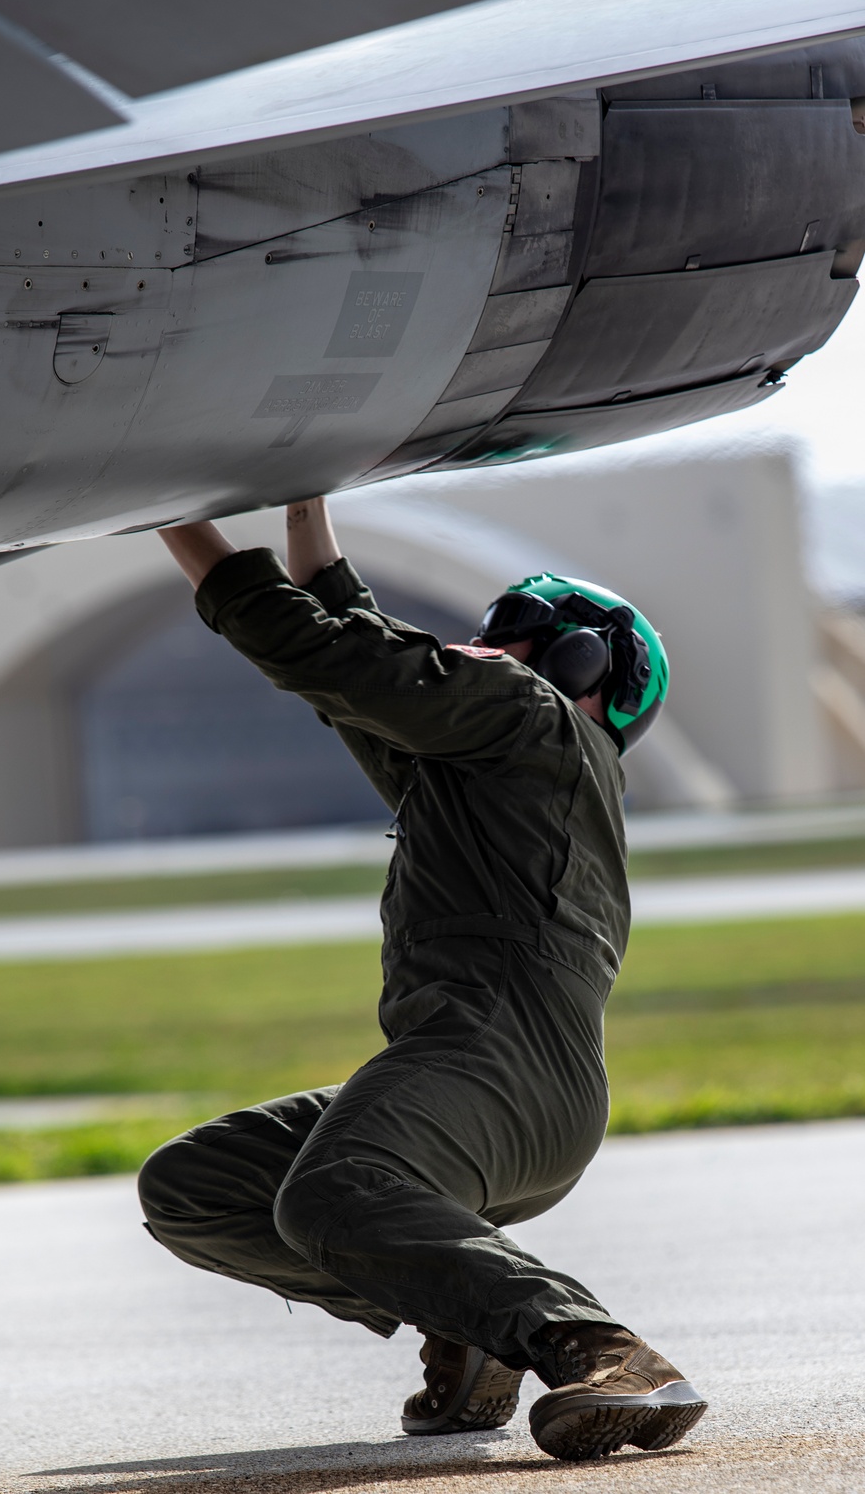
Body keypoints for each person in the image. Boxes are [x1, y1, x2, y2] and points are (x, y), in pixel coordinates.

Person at [139, 496, 706, 1463]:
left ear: (578, 663)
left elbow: (323, 656)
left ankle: (599, 1349)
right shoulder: (485, 772)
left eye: (506, 636)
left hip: (504, 1068)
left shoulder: (533, 721)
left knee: (331, 1194)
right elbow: (350, 683)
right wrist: (307, 511)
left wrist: (165, 510)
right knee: (198, 1186)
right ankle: (477, 1321)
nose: (476, 649)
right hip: (490, 1073)